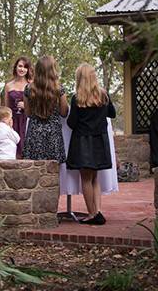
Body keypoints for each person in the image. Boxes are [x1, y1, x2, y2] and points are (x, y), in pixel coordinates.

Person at [66, 63, 116, 225]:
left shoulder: (77, 98)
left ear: (79, 78)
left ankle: (91, 214)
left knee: (86, 179)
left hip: (83, 141)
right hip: (99, 141)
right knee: (95, 178)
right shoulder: (103, 96)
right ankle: (98, 211)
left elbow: (71, 123)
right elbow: (112, 114)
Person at [22, 56, 68, 162]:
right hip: (53, 134)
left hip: (34, 133)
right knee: (52, 173)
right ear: (53, 70)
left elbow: (28, 113)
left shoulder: (28, 88)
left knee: (34, 171)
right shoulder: (59, 89)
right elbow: (63, 112)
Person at [4, 56, 34, 158]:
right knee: (13, 151)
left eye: (25, 67)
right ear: (16, 67)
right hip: (13, 121)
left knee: (27, 150)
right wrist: (7, 122)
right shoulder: (8, 85)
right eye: (20, 66)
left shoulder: (32, 85)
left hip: (28, 120)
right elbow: (6, 107)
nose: (22, 69)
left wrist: (27, 106)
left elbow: (38, 105)